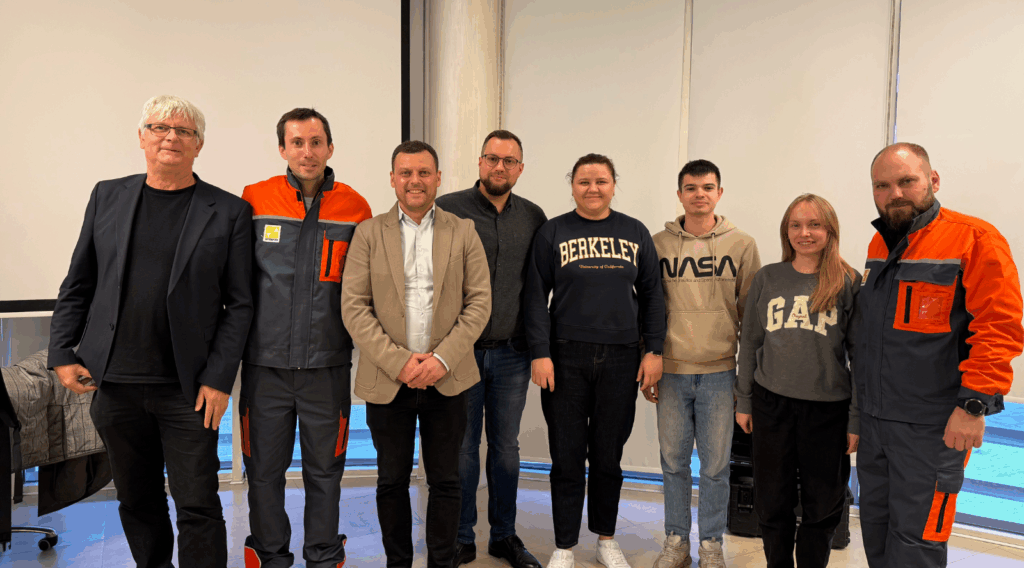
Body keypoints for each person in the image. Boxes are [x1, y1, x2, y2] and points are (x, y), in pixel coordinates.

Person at [47, 95, 253, 568]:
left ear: (199, 145)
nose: (170, 137)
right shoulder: (107, 196)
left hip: (189, 390)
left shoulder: (228, 211)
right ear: (142, 137)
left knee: (197, 503)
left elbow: (240, 304)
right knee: (137, 500)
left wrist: (219, 378)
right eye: (159, 127)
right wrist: (62, 351)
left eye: (184, 131)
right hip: (114, 384)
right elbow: (79, 281)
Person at [854, 143, 1023, 567]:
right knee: (876, 531)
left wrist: (973, 405)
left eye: (906, 181)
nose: (894, 193)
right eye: (882, 185)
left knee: (917, 542)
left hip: (932, 428)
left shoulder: (975, 239)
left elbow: (999, 327)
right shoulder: (879, 244)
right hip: (876, 424)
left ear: (933, 180)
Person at [341, 140, 491, 568]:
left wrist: (440, 360)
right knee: (391, 481)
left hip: (448, 378)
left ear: (438, 178)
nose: (415, 181)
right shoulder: (369, 233)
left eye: (424, 172)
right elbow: (354, 307)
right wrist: (400, 362)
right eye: (405, 173)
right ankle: (399, 563)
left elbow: (479, 303)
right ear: (392, 179)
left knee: (446, 480)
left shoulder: (463, 231)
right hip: (389, 380)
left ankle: (441, 562)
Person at [239, 108, 372, 568]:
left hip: (326, 369)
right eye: (297, 142)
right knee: (262, 472)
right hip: (265, 368)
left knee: (325, 473)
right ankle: (269, 556)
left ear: (330, 148)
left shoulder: (356, 207)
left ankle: (324, 557)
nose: (307, 152)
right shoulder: (255, 199)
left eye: (316, 142)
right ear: (282, 149)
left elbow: (365, 287)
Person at [524, 153, 666, 568]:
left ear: (613, 185)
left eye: (601, 181)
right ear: (572, 186)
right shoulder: (553, 232)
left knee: (608, 456)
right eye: (584, 181)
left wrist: (654, 350)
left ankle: (606, 539)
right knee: (566, 456)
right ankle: (565, 545)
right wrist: (540, 353)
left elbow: (653, 295)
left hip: (622, 358)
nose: (593, 189)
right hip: (565, 356)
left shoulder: (634, 232)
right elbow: (535, 297)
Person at [436, 130, 547, 568]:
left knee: (505, 449)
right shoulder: (447, 209)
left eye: (509, 161)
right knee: (463, 448)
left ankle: (504, 536)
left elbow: (538, 287)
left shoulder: (534, 217)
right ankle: (461, 536)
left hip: (513, 353)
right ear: (480, 162)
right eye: (492, 158)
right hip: (459, 353)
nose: (500, 167)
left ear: (520, 168)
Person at [734, 194, 860, 568]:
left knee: (824, 505)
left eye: (814, 224)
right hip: (771, 404)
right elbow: (750, 343)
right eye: (796, 225)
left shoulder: (848, 281)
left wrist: (856, 419)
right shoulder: (767, 278)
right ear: (785, 231)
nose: (804, 233)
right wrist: (744, 400)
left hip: (828, 411)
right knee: (772, 501)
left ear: (830, 230)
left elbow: (861, 357)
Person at [651, 159, 761, 568]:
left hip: (719, 373)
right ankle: (676, 541)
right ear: (679, 194)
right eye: (691, 187)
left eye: (708, 187)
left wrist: (745, 381)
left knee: (715, 468)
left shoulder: (742, 244)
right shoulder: (657, 245)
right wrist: (649, 362)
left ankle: (711, 545)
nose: (700, 194)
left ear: (719, 192)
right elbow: (648, 310)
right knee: (673, 464)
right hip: (671, 372)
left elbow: (751, 318)